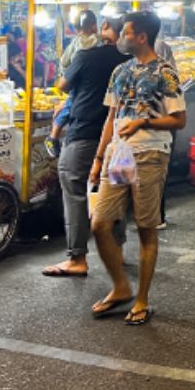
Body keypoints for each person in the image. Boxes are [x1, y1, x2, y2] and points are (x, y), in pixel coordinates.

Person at [89, 11, 186, 326]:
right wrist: (99, 157)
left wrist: (145, 121)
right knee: (100, 223)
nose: (120, 38)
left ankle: (142, 298)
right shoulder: (120, 71)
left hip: (150, 154)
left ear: (141, 37)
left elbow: (178, 120)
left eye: (126, 33)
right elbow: (111, 118)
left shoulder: (165, 72)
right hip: (119, 155)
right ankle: (120, 286)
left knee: (146, 229)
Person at [42, 15, 129, 278]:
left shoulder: (87, 56)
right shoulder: (131, 62)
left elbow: (62, 85)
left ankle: (77, 257)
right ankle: (117, 250)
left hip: (84, 134)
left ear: (104, 29)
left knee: (74, 191)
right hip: (120, 137)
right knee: (115, 191)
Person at [46, 10, 102, 158]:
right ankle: (52, 136)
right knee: (68, 106)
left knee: (69, 105)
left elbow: (64, 61)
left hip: (74, 78)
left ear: (76, 28)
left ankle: (54, 136)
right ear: (94, 26)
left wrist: (66, 73)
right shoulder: (96, 40)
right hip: (82, 81)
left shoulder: (76, 41)